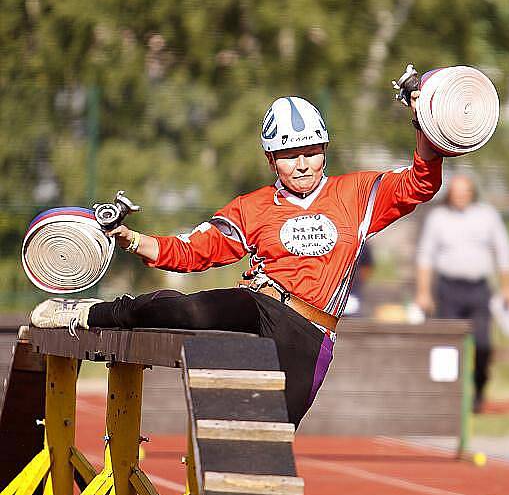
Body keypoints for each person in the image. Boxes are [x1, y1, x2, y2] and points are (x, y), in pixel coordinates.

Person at [31, 94, 442, 428]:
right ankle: (86, 313)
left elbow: (421, 180)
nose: (301, 164)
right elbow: (191, 251)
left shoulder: (360, 193)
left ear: (325, 151)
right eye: (288, 154)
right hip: (259, 304)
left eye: (311, 152)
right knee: (186, 309)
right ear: (270, 160)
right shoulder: (252, 207)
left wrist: (424, 118)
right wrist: (132, 238)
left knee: (270, 438)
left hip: (312, 333)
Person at [416, 174, 509, 413]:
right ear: (450, 193)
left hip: (479, 289)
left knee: (482, 344)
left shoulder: (487, 216)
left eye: (465, 192)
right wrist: (423, 292)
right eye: (456, 192)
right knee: (447, 346)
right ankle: (447, 398)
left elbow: (503, 252)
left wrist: (507, 287)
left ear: (472, 193)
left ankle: (479, 391)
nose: (461, 196)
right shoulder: (438, 218)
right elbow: (425, 256)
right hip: (449, 289)